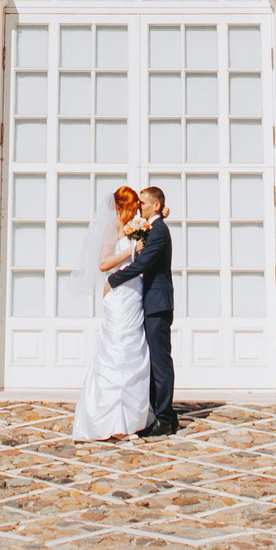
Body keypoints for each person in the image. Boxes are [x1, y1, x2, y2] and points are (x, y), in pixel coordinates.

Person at [70, 185, 152, 441]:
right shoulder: (112, 228)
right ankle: (111, 422)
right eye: (130, 208)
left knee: (134, 350)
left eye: (136, 207)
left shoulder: (135, 226)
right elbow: (103, 263)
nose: (134, 211)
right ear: (119, 207)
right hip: (117, 297)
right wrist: (130, 250)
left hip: (134, 295)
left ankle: (131, 420)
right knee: (117, 350)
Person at [106, 183, 176, 436]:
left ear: (155, 206)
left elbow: (143, 263)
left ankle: (165, 419)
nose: (139, 208)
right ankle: (162, 412)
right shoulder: (153, 227)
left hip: (157, 304)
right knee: (152, 361)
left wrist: (113, 280)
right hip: (146, 302)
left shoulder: (158, 231)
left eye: (143, 204)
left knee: (160, 362)